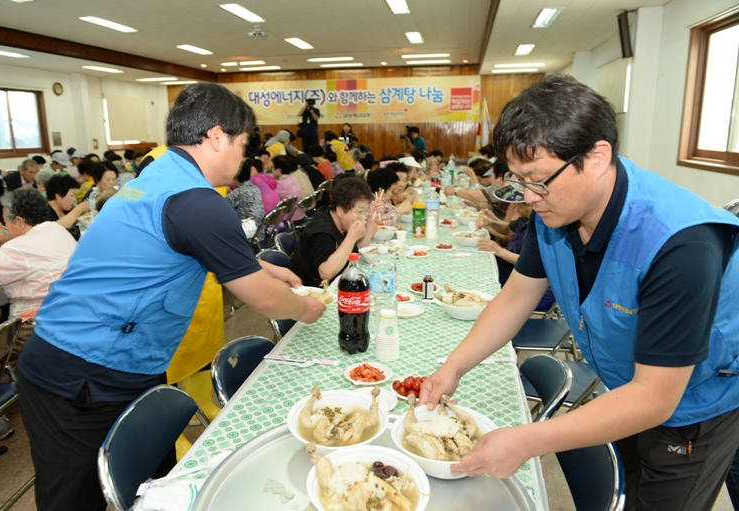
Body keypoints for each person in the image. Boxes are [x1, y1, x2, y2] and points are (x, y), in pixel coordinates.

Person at [420, 74, 739, 511]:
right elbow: (516, 297)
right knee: (628, 481)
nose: (529, 197)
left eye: (537, 180)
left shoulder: (681, 244)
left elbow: (655, 397)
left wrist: (528, 441)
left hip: (697, 403)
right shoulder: (554, 209)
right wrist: (453, 367)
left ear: (596, 157)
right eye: (518, 181)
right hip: (626, 382)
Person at [14, 83, 325, 511]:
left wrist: (263, 266)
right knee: (73, 497)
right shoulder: (195, 200)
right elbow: (267, 302)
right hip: (77, 371)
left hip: (126, 362)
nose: (243, 155)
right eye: (242, 143)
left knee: (154, 486)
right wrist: (309, 307)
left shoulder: (161, 176)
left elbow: (189, 245)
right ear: (217, 137)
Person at [0, 188, 77, 366]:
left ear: (20, 221)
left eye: (5, 222)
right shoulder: (55, 229)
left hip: (35, 328)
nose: (3, 226)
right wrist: (11, 240)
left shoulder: (18, 250)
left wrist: (12, 244)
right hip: (69, 317)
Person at [289, 174, 381, 287]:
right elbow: (326, 273)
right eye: (360, 212)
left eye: (365, 211)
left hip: (336, 281)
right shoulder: (322, 231)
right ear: (341, 210)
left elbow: (360, 248)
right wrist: (351, 238)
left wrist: (371, 218)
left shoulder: (342, 222)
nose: (363, 217)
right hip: (308, 290)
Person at [476, 189, 555, 311]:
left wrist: (499, 250)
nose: (514, 206)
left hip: (535, 292)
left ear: (528, 205)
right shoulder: (526, 220)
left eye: (516, 204)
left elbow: (535, 263)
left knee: (480, 296)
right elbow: (508, 229)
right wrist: (490, 222)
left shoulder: (546, 228)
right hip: (512, 278)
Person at [45, 174, 90, 241]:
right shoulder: (44, 212)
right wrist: (80, 208)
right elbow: (54, 229)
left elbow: (71, 219)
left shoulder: (65, 209)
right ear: (58, 195)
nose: (74, 199)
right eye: (72, 195)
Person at [227, 159, 265, 236]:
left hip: (248, 235)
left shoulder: (239, 192)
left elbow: (222, 207)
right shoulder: (254, 188)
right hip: (260, 233)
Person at [272, 155, 306, 222]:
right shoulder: (293, 178)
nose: (272, 169)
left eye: (273, 167)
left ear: (279, 170)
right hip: (301, 215)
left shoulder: (279, 184)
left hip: (289, 219)